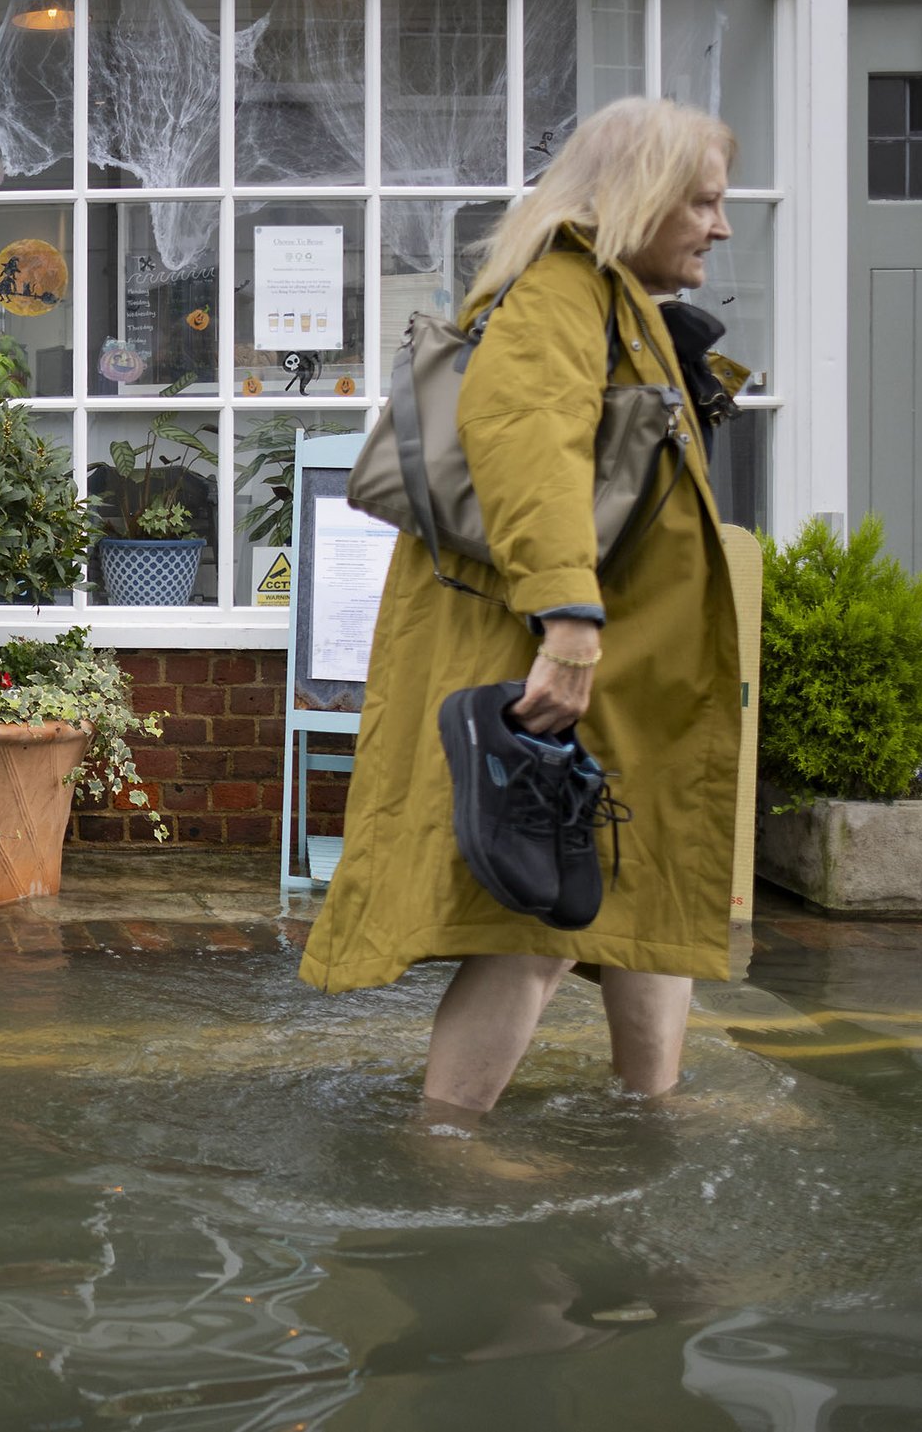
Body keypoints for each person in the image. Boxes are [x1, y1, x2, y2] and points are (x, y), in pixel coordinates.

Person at [300, 96, 744, 1116]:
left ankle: (652, 1106)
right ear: (640, 199)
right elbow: (525, 445)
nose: (720, 226)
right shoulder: (561, 286)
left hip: (620, 669)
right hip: (557, 656)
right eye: (704, 204)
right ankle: (445, 1139)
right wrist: (568, 623)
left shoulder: (611, 297)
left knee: (640, 885)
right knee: (534, 920)